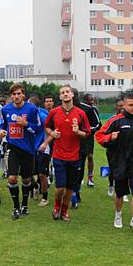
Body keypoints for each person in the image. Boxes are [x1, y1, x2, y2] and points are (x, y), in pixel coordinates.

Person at [96, 93, 133, 234]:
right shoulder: (115, 120)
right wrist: (110, 137)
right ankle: (118, 214)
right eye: (130, 105)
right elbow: (99, 136)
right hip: (119, 160)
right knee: (120, 192)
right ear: (124, 106)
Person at [44, 85, 90, 222]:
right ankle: (57, 207)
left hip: (75, 156)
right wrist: (52, 133)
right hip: (58, 155)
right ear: (60, 97)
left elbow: (87, 133)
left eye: (67, 92)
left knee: (70, 188)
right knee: (60, 188)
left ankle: (64, 211)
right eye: (62, 92)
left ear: (72, 95)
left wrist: (78, 132)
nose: (65, 94)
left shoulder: (80, 113)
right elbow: (46, 126)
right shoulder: (54, 112)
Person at [0, 84, 41, 220]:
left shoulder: (32, 109)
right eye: (14, 94)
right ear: (11, 96)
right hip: (13, 148)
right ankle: (16, 207)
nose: (16, 97)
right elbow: (2, 124)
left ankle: (25, 205)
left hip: (28, 150)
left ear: (23, 95)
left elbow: (38, 129)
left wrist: (26, 124)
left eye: (18, 94)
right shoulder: (6, 109)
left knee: (27, 179)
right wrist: (1, 131)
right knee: (12, 178)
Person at [70, 89, 102, 209]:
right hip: (66, 144)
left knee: (80, 166)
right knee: (68, 168)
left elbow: (98, 124)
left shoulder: (87, 109)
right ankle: (71, 191)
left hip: (84, 143)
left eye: (73, 96)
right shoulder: (61, 109)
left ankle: (76, 191)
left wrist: (86, 132)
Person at [27, 95, 50, 206]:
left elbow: (52, 131)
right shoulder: (26, 115)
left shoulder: (42, 116)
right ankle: (35, 186)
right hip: (30, 148)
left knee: (42, 174)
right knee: (27, 173)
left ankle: (45, 198)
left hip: (42, 149)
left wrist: (45, 143)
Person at [81, 93, 102, 187]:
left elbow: (99, 125)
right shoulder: (79, 108)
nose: (92, 102)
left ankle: (90, 178)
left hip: (89, 138)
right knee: (80, 158)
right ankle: (80, 177)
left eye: (93, 100)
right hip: (79, 137)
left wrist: (89, 131)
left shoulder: (93, 110)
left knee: (89, 157)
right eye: (91, 100)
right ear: (85, 100)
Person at [105, 99, 124, 198]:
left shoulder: (129, 119)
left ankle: (122, 191)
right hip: (112, 149)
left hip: (124, 150)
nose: (122, 108)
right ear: (116, 107)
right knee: (113, 170)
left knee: (124, 170)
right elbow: (104, 133)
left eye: (123, 106)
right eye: (120, 106)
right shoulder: (112, 119)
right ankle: (111, 185)